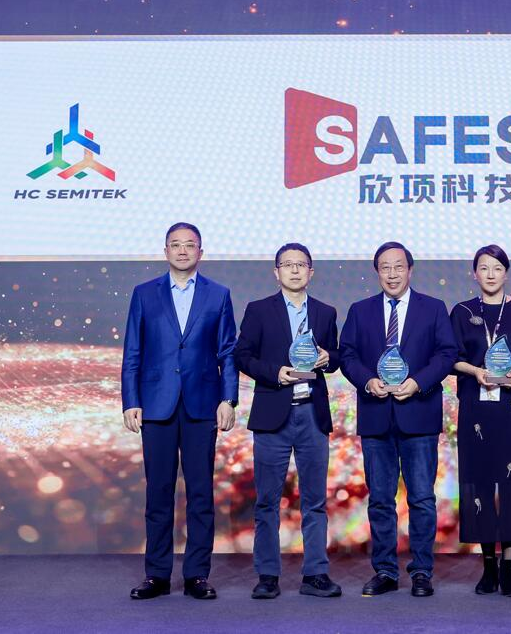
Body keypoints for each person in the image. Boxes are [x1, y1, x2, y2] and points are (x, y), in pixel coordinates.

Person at [121, 222, 238, 601]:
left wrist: (228, 399)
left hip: (202, 405)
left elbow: (227, 352)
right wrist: (131, 400)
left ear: (201, 252)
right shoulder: (144, 294)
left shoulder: (219, 295)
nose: (183, 250)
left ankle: (196, 576)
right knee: (158, 492)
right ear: (165, 251)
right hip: (156, 405)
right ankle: (156, 575)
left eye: (190, 245)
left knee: (201, 493)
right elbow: (133, 351)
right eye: (176, 245)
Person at [338, 241, 457, 598]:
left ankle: (421, 571)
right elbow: (347, 354)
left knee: (421, 498)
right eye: (385, 268)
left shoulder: (433, 308)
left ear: (410, 270)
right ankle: (386, 571)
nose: (392, 274)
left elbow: (447, 353)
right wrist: (367, 381)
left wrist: (418, 382)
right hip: (376, 416)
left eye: (398, 267)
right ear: (377, 272)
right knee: (380, 500)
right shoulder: (360, 311)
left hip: (419, 414)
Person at [233, 243, 342, 600]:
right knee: (267, 500)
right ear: (276, 271)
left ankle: (316, 574)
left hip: (312, 413)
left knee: (315, 501)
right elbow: (242, 356)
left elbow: (336, 356)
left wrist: (328, 358)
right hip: (272, 414)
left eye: (301, 265)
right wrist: (274, 373)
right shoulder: (259, 310)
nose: (295, 270)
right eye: (287, 264)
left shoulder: (325, 312)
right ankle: (267, 575)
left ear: (311, 272)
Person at [450, 245, 511, 598]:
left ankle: (508, 566)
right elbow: (450, 357)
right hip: (476, 408)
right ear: (474, 273)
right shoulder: (462, 312)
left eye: (496, 268)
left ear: (506, 273)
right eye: (483, 268)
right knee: (479, 483)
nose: (490, 274)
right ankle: (488, 565)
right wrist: (475, 371)